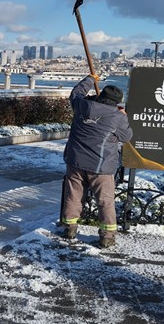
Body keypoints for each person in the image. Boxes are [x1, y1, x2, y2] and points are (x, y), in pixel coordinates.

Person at [61, 75, 133, 248]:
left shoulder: (81, 105)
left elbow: (76, 93)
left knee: (73, 195)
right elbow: (127, 136)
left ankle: (69, 228)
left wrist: (90, 79)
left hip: (75, 161)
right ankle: (107, 237)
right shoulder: (117, 117)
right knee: (105, 201)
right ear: (116, 102)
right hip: (101, 166)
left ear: (100, 96)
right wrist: (123, 116)